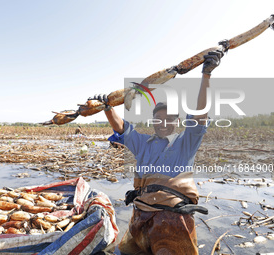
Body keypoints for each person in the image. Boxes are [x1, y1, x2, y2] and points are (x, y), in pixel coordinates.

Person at [91, 50, 224, 254]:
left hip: (172, 219)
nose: (163, 122)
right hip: (141, 215)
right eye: (158, 118)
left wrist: (206, 75)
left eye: (169, 118)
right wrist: (107, 108)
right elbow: (121, 129)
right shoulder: (142, 143)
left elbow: (199, 115)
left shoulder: (186, 142)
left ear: (177, 122)